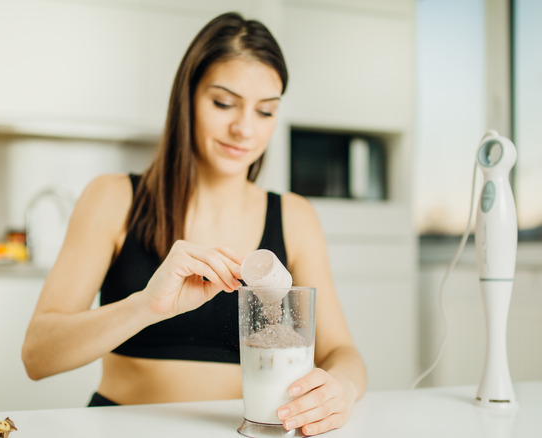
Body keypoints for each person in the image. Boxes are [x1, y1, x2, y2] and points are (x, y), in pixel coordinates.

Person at [21, 11, 368, 436]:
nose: (244, 129)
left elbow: (342, 352)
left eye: (265, 112)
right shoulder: (113, 199)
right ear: (187, 98)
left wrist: (343, 390)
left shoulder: (295, 216)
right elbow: (37, 355)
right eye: (224, 103)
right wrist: (146, 306)